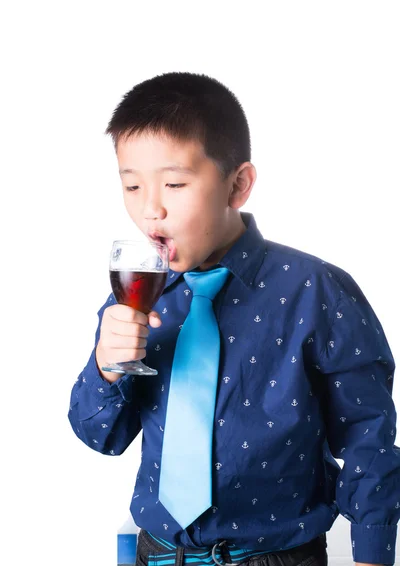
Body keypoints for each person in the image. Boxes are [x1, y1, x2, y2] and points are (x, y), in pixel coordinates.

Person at [68, 72, 400, 566]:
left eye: (175, 183)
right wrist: (105, 368)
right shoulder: (139, 296)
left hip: (276, 557)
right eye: (132, 186)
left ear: (238, 184)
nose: (150, 209)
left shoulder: (315, 291)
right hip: (155, 554)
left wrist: (373, 556)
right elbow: (101, 436)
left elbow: (368, 439)